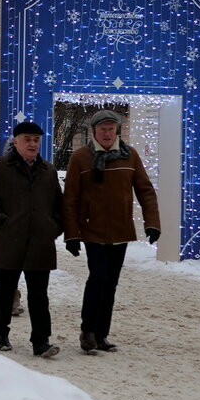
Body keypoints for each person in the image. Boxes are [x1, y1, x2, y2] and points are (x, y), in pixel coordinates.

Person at [63, 109, 161, 354]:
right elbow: (70, 198)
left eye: (111, 128)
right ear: (94, 131)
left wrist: (152, 223)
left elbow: (145, 190)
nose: (107, 133)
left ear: (116, 130)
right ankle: (88, 331)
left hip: (120, 230)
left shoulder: (130, 156)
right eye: (102, 129)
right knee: (99, 278)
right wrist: (72, 234)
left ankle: (102, 334)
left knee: (111, 283)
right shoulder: (80, 157)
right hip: (92, 228)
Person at [0, 121, 63, 358]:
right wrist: (0, 224)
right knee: (4, 290)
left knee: (39, 295)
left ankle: (41, 341)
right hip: (8, 240)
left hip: (40, 242)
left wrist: (54, 227)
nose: (33, 144)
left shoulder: (48, 171)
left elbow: (59, 203)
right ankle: (1, 333)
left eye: (36, 139)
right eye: (27, 139)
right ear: (15, 141)